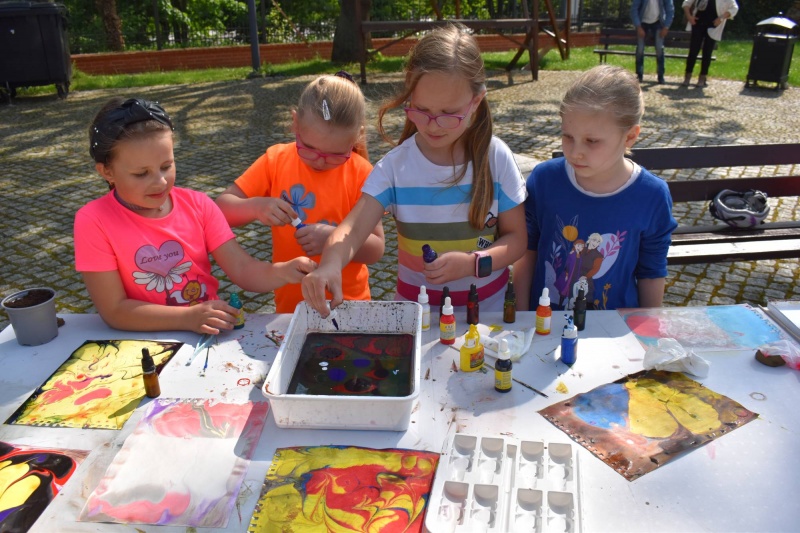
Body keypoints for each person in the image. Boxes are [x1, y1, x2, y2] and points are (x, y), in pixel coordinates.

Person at [301, 23, 527, 315]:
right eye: (421, 110)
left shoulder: (496, 158)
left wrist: (473, 263)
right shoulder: (396, 167)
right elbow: (351, 230)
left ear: (476, 101)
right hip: (416, 319)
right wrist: (331, 264)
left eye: (448, 113)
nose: (433, 125)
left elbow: (517, 239)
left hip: (487, 317)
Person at [74, 97, 317, 334]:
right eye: (141, 174)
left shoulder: (199, 205)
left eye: (166, 166)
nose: (160, 182)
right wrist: (188, 318)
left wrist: (282, 271)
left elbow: (243, 269)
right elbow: (114, 310)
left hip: (204, 335)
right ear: (107, 171)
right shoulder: (94, 221)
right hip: (138, 342)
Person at [216, 73, 384, 313]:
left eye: (336, 155)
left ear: (357, 136)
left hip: (350, 305)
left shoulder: (361, 172)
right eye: (309, 148)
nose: (320, 161)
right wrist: (255, 207)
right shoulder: (276, 160)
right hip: (291, 306)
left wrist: (331, 238)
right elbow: (220, 210)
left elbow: (376, 248)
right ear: (295, 123)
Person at [514, 65, 677, 312]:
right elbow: (527, 252)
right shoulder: (545, 180)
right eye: (568, 136)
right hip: (545, 323)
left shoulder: (652, 195)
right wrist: (521, 315)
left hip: (615, 327)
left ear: (630, 137)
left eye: (591, 141)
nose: (575, 152)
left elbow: (652, 272)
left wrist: (647, 325)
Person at [682, 0, 738, 87]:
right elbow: (686, 3)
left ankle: (702, 77)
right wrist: (689, 16)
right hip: (697, 24)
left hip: (713, 26)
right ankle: (687, 76)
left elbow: (734, 8)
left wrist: (721, 18)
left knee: (707, 53)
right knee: (693, 51)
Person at [631, 0, 675, 84]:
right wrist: (638, 27)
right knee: (640, 49)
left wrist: (666, 27)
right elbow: (634, 10)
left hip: (658, 23)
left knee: (659, 48)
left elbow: (670, 10)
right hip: (642, 23)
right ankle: (639, 75)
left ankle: (660, 76)